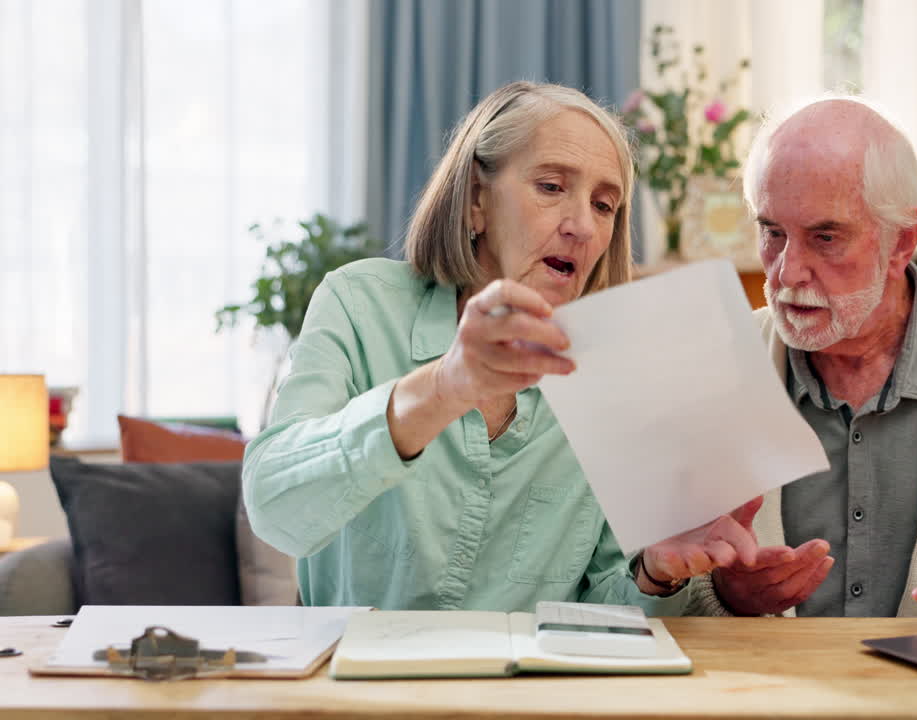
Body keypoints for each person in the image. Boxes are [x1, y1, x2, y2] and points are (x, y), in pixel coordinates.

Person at [243, 81, 759, 613]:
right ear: (474, 202)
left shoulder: (614, 376)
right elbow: (274, 507)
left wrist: (655, 575)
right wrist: (443, 388)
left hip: (534, 694)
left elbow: (606, 603)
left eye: (604, 205)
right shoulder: (359, 304)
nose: (582, 225)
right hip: (363, 688)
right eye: (552, 186)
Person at [687, 96, 917, 618]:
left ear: (902, 241)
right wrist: (727, 597)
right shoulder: (718, 369)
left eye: (825, 237)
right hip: (774, 695)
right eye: (772, 232)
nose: (786, 272)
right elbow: (649, 587)